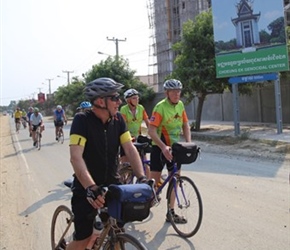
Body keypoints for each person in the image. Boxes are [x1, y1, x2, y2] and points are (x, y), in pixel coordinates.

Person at [66, 77, 146, 250]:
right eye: (115, 98)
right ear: (101, 101)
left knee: (117, 231)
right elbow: (76, 157)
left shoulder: (118, 120)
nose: (119, 102)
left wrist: (142, 177)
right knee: (83, 239)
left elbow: (130, 149)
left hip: (112, 183)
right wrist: (91, 187)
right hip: (86, 188)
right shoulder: (82, 121)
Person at [148, 79, 191, 224]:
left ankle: (171, 212)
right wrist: (162, 146)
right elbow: (151, 131)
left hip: (175, 148)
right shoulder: (160, 108)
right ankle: (144, 203)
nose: (177, 94)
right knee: (154, 182)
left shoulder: (180, 105)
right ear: (167, 93)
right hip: (159, 148)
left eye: (179, 91)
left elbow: (186, 125)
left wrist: (188, 143)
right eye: (173, 91)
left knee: (176, 178)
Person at [119, 88, 150, 176]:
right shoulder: (123, 109)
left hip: (138, 137)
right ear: (128, 100)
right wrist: (129, 137)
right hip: (127, 138)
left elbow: (148, 122)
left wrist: (153, 134)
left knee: (144, 162)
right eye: (134, 98)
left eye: (137, 98)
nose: (137, 100)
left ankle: (148, 184)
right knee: (125, 165)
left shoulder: (141, 108)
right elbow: (123, 126)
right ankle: (122, 182)